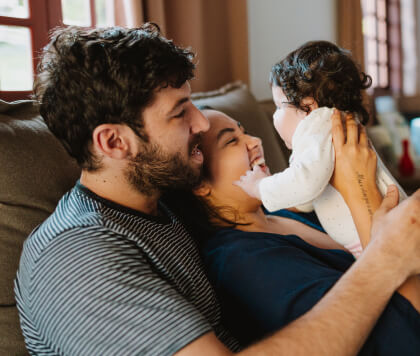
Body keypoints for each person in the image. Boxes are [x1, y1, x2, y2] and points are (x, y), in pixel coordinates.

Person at [14, 24, 420, 356]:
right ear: (114, 143)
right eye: (179, 113)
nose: (201, 124)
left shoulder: (163, 207)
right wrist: (384, 258)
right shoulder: (77, 259)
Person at [177, 108, 420, 354]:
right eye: (231, 140)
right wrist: (360, 186)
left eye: (245, 131)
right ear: (198, 184)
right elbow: (401, 335)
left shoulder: (281, 213)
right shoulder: (243, 262)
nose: (256, 141)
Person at [235, 41, 405, 258]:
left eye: (279, 106)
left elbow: (306, 182)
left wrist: (260, 187)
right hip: (376, 234)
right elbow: (311, 191)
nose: (275, 116)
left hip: (381, 233)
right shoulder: (328, 129)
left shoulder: (319, 125)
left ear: (308, 106)